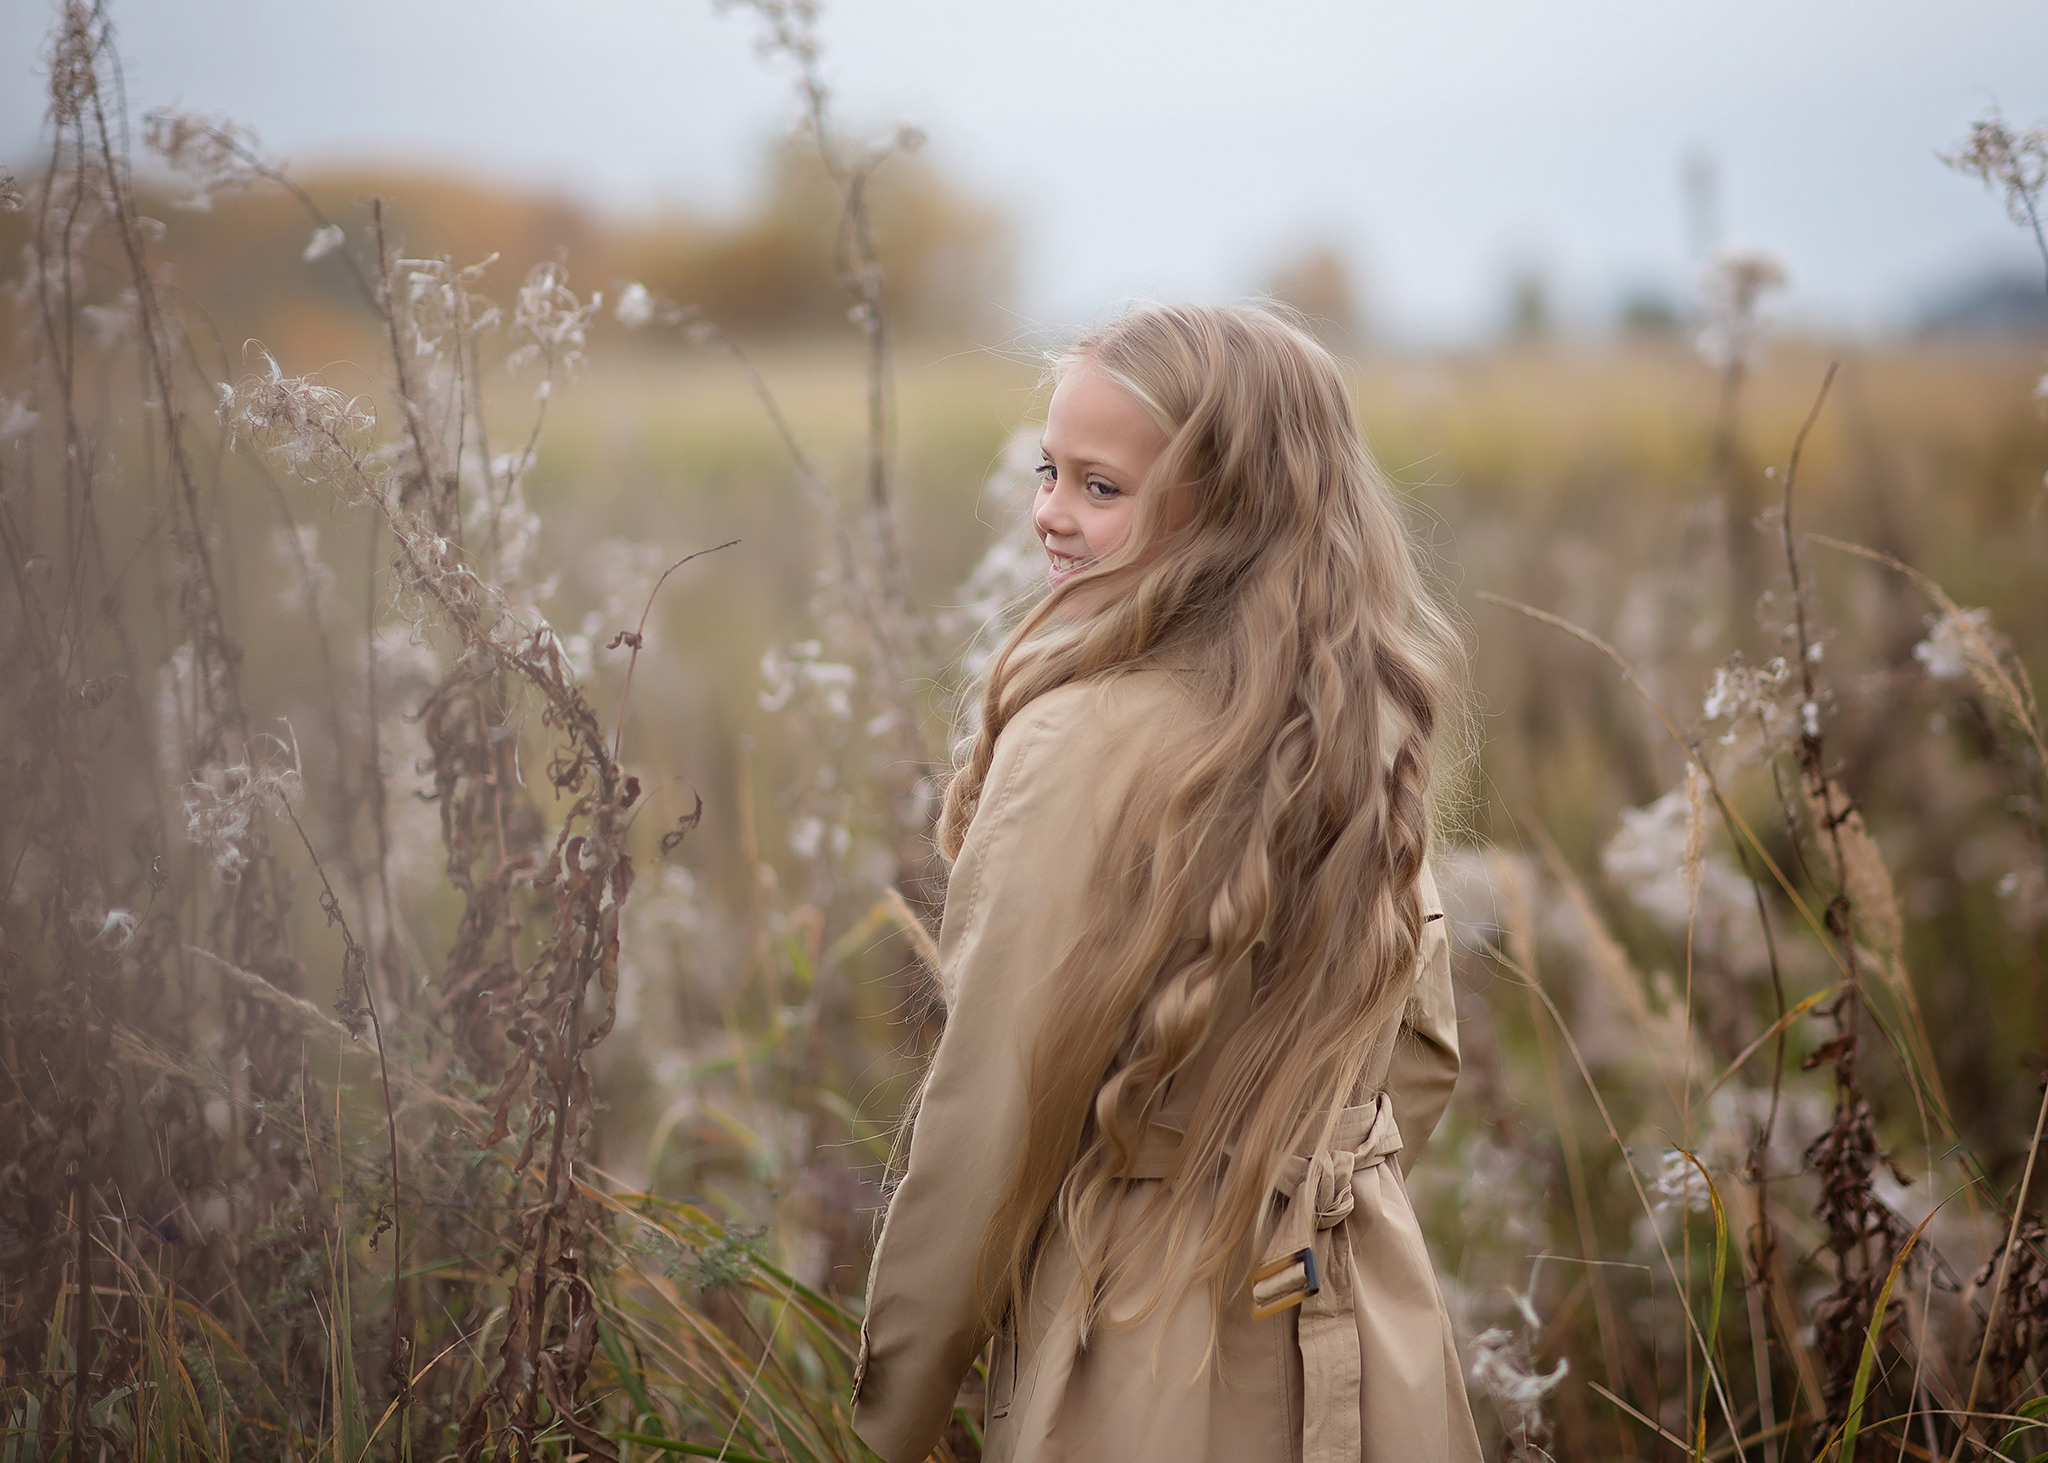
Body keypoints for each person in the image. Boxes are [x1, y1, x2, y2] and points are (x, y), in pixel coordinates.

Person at [852, 303, 1482, 1463]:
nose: (1047, 512)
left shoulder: (1072, 742)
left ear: (1235, 509)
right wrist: (1300, 1179)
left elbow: (984, 1121)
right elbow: (1420, 1063)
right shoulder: (1355, 720)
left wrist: (895, 1412)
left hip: (1141, 1347)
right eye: (1049, 470)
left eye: (1101, 487)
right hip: (1378, 1332)